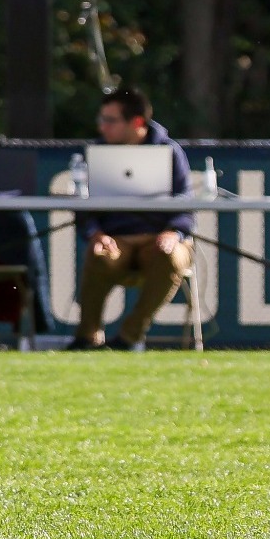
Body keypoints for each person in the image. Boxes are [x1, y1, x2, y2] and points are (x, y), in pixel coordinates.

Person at [69, 88, 195, 352]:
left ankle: (128, 337)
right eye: (101, 119)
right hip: (118, 243)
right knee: (99, 254)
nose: (102, 127)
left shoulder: (170, 152)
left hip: (161, 242)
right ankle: (87, 337)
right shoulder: (96, 152)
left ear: (136, 122)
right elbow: (84, 207)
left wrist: (174, 233)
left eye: (110, 120)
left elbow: (187, 205)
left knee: (171, 256)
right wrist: (95, 234)